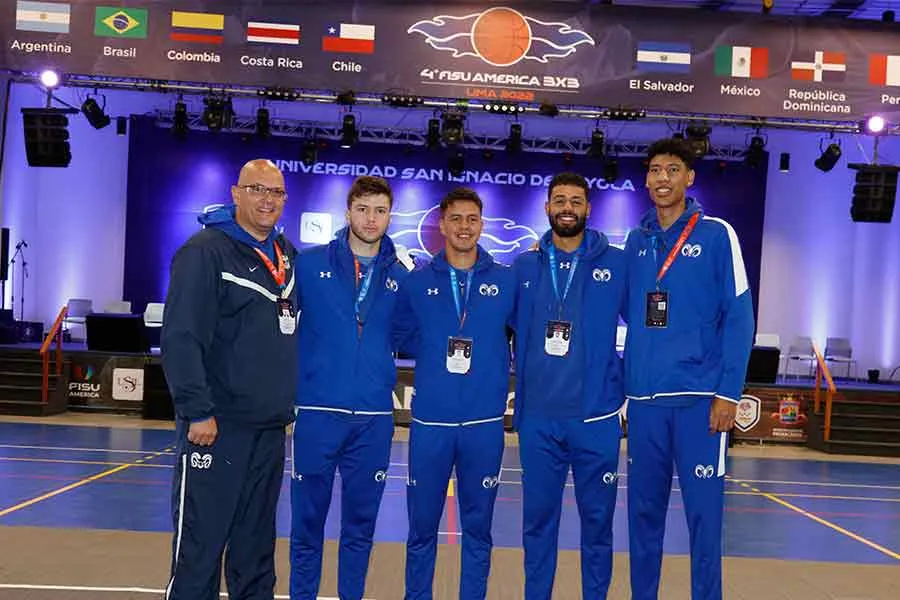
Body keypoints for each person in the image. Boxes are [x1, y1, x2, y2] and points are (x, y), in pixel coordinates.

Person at [623, 137, 754, 600]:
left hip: (700, 402)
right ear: (646, 178)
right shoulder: (635, 241)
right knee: (643, 518)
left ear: (689, 177)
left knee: (703, 519)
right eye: (655, 169)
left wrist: (729, 392)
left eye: (672, 169)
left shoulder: (718, 234)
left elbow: (740, 316)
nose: (662, 178)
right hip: (643, 403)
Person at [161, 159, 298, 600]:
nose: (267, 200)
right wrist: (197, 409)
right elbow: (181, 337)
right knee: (200, 547)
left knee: (255, 550)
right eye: (257, 189)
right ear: (236, 194)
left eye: (276, 193)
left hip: (268, 430)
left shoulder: (286, 255)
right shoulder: (205, 252)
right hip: (216, 429)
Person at [290, 175, 411, 600]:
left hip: (374, 419)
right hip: (318, 412)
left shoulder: (403, 274)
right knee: (307, 525)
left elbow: (409, 336)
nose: (371, 218)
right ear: (348, 212)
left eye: (380, 210)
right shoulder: (308, 264)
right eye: (363, 209)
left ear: (390, 216)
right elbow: (280, 327)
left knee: (360, 528)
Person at [394, 188, 516, 600]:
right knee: (421, 529)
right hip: (431, 424)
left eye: (472, 219)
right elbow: (401, 335)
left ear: (481, 225)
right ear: (442, 225)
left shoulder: (506, 281)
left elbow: (528, 337)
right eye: (456, 219)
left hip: (483, 426)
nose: (464, 227)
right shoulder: (417, 283)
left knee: (478, 530)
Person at [512, 172, 626, 600]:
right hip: (538, 421)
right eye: (558, 200)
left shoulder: (617, 264)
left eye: (575, 201)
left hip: (595, 419)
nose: (566, 208)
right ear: (546, 207)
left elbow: (650, 325)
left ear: (588, 208)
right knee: (537, 525)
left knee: (598, 525)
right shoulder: (524, 265)